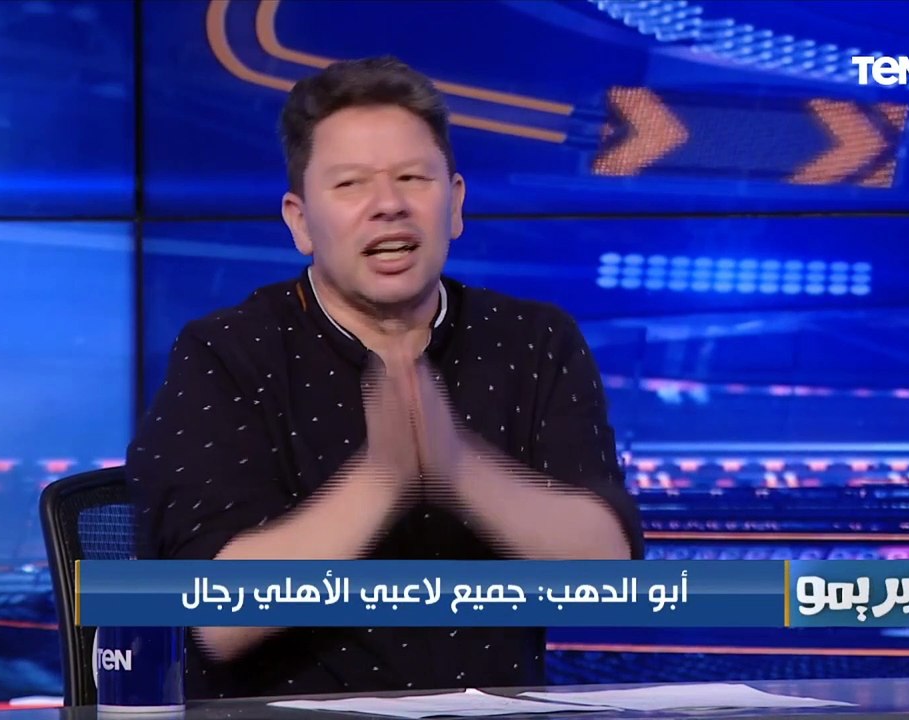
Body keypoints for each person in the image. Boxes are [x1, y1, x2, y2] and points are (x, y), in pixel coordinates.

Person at [126, 55, 644, 700]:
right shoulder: (227, 354)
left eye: (412, 178)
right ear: (300, 221)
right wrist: (380, 479)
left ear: (455, 204)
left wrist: (460, 469)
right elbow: (216, 618)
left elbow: (609, 579)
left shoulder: (534, 341)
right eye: (351, 184)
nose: (389, 205)